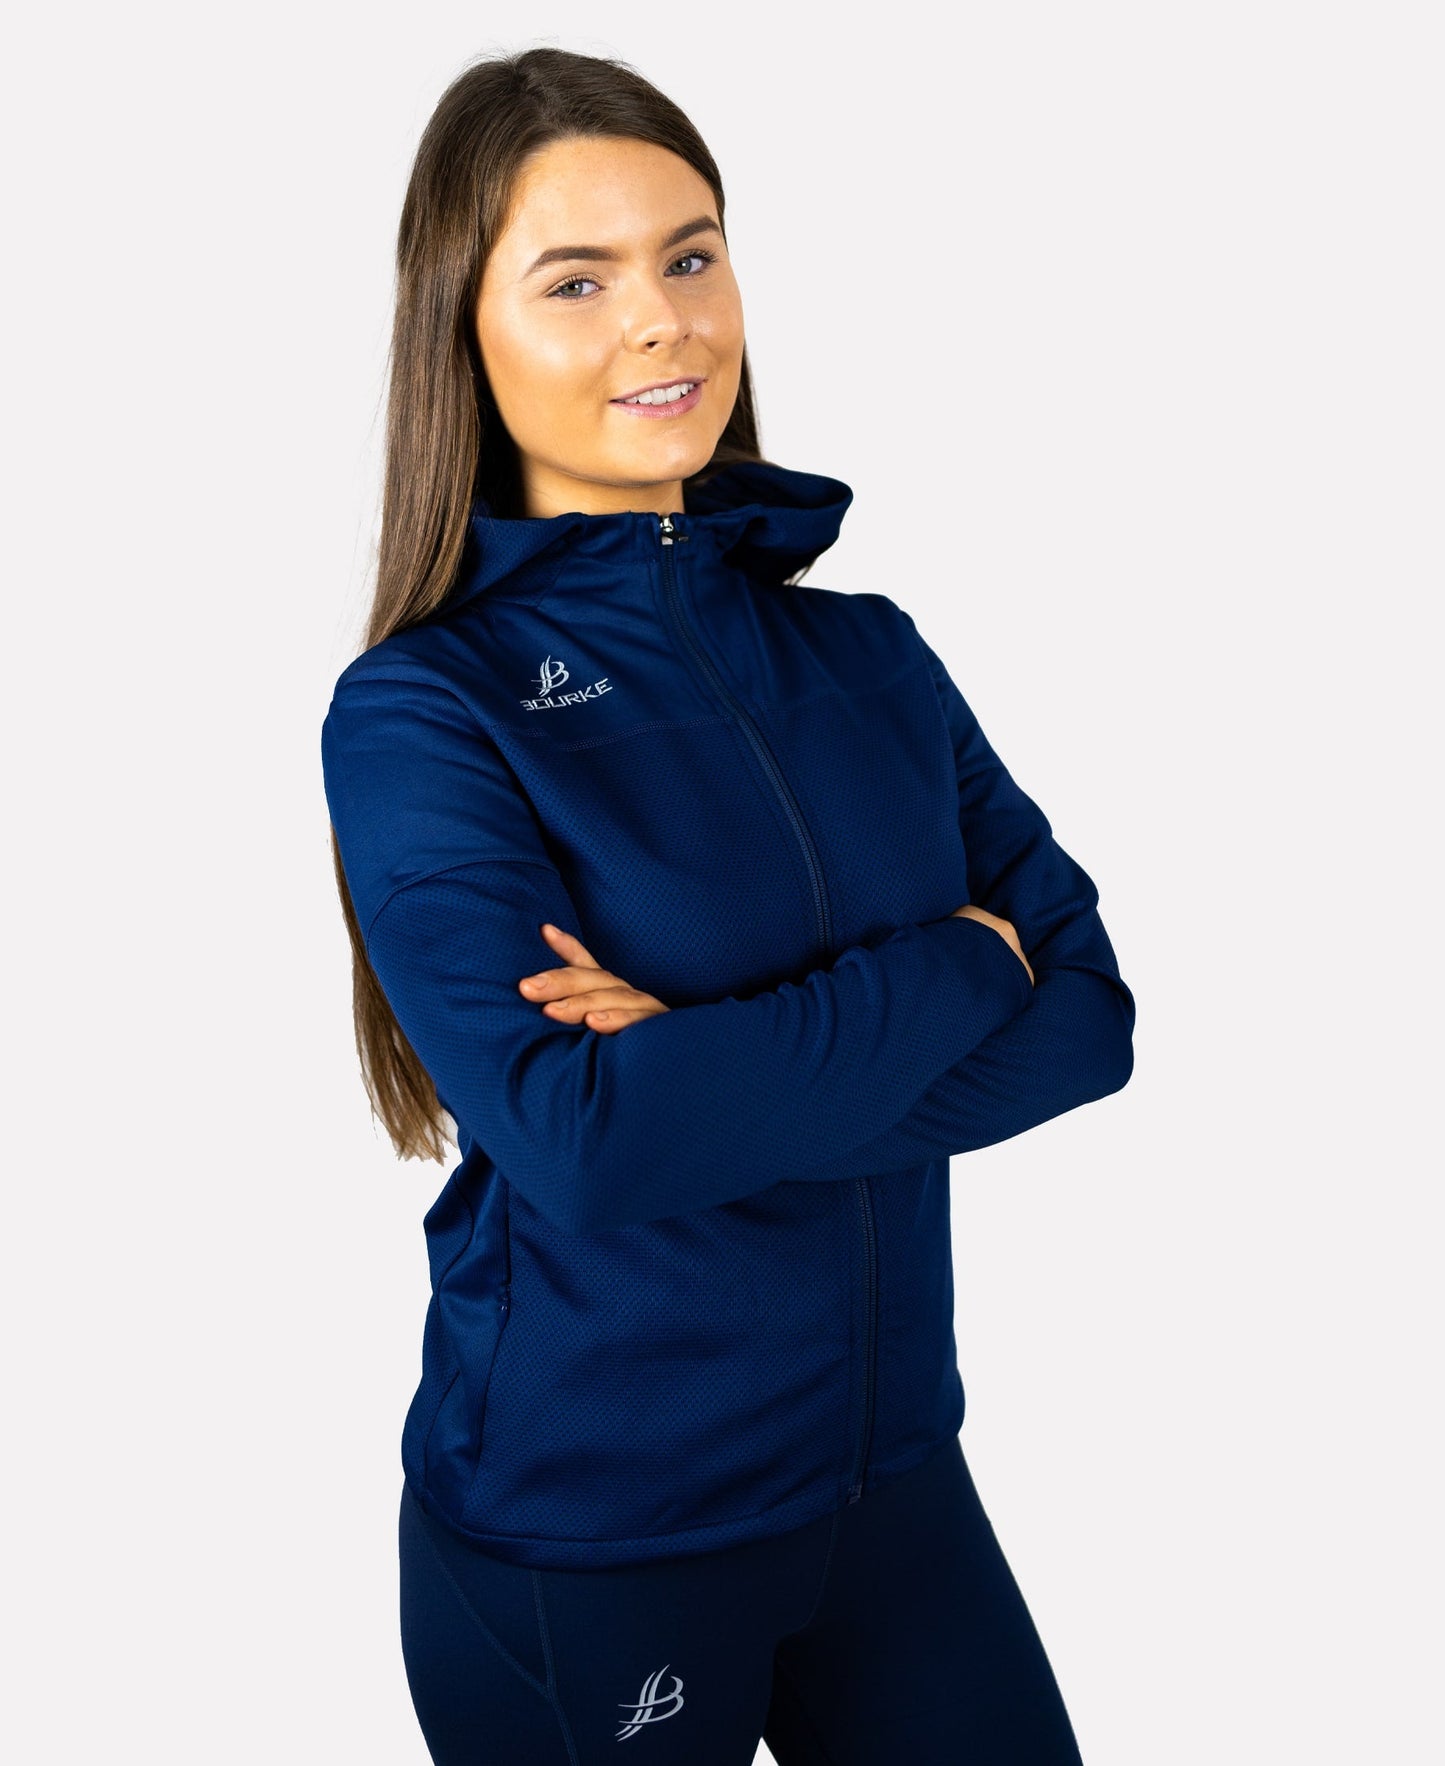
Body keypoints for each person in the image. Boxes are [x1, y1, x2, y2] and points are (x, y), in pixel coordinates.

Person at [319, 44, 1135, 1766]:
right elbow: (588, 1140)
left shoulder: (869, 654)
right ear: (462, 331)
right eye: (577, 280)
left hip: (894, 1481)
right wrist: (958, 961)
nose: (661, 321)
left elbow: (1087, 1019)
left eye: (690, 255)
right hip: (597, 1530)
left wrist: (707, 1072)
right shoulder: (424, 712)